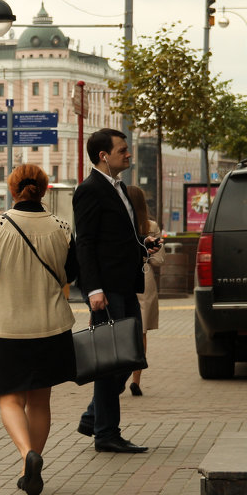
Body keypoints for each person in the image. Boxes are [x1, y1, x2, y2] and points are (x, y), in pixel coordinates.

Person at [0, 164, 78, 495]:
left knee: (10, 398)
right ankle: (33, 463)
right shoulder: (62, 227)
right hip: (51, 324)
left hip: (6, 325)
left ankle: (25, 454)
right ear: (43, 190)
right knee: (40, 401)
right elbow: (71, 273)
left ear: (12, 191)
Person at [72, 128, 162, 453]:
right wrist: (94, 288)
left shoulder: (119, 186)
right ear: (103, 156)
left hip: (125, 284)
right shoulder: (89, 190)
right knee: (114, 360)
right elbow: (86, 243)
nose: (128, 154)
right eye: (122, 150)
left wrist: (142, 246)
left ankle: (94, 417)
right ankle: (106, 433)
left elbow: (117, 238)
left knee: (130, 356)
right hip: (106, 290)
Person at [124, 184, 165, 396]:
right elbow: (159, 260)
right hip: (145, 276)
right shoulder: (151, 226)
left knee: (122, 328)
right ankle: (136, 380)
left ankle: (119, 375)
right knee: (141, 332)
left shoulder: (120, 224)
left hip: (123, 277)